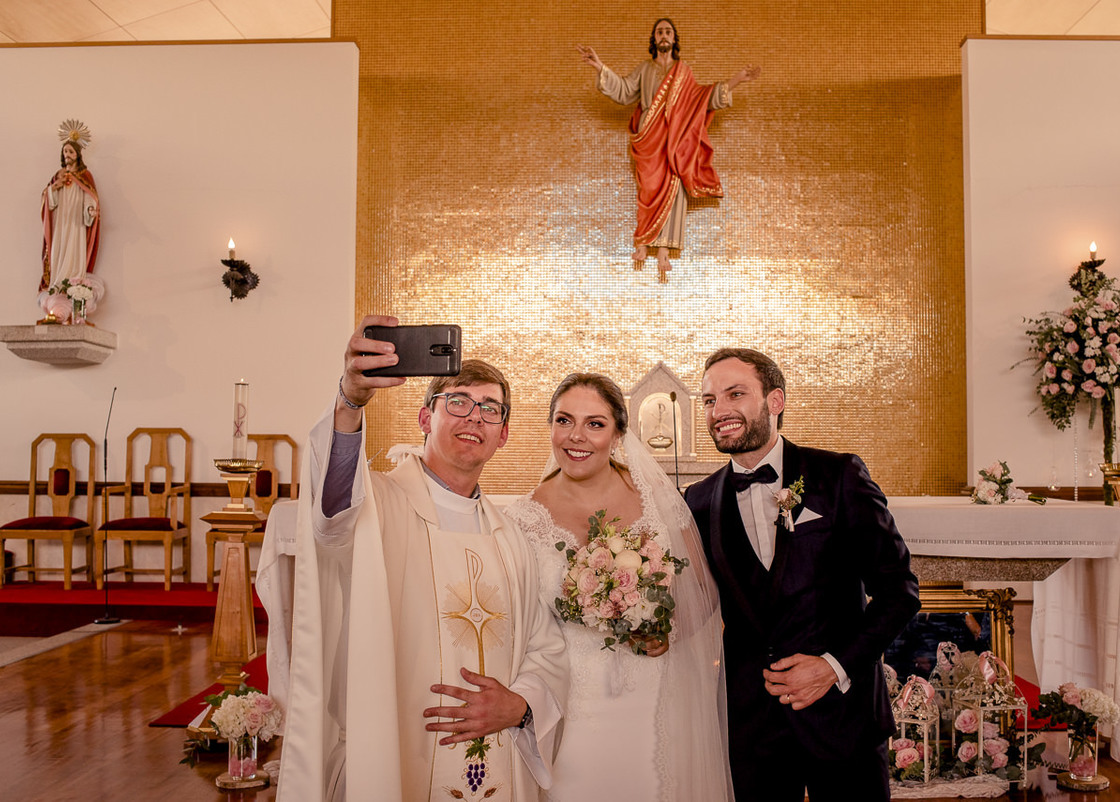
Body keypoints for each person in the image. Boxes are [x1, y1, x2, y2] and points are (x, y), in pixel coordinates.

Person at [277, 315, 568, 802]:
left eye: (490, 409)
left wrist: (520, 706)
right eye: (458, 402)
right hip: (399, 749)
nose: (474, 417)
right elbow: (330, 518)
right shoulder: (380, 508)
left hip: (498, 755)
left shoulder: (512, 536)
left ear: (504, 435)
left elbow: (546, 645)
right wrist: (351, 400)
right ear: (424, 417)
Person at [684, 348, 920, 801]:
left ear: (775, 401)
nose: (720, 411)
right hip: (751, 728)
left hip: (843, 717)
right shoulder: (698, 500)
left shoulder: (839, 475)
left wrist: (833, 667)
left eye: (736, 394)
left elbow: (899, 593)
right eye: (710, 400)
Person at [506, 373, 733, 801]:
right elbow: (521, 627)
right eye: (563, 420)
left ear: (618, 433)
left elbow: (702, 592)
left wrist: (670, 630)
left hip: (657, 697)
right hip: (573, 706)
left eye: (595, 423)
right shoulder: (522, 518)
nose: (576, 436)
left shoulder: (659, 501)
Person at [577, 19, 759, 282]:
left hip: (676, 135)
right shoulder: (644, 69)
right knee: (649, 187)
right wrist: (599, 66)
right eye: (659, 32)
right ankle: (642, 241)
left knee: (675, 182)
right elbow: (625, 91)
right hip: (649, 134)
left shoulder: (684, 72)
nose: (664, 36)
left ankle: (664, 247)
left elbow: (702, 97)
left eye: (668, 32)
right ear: (654, 39)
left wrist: (736, 81)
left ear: (674, 39)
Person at [40, 138, 100, 293]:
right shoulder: (58, 175)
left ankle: (74, 285)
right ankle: (57, 283)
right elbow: (48, 202)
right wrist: (53, 189)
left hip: (76, 222)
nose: (67, 154)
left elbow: (90, 196)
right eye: (65, 151)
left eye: (70, 152)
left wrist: (90, 210)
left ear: (77, 155)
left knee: (75, 249)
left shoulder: (85, 175)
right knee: (58, 250)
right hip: (60, 222)